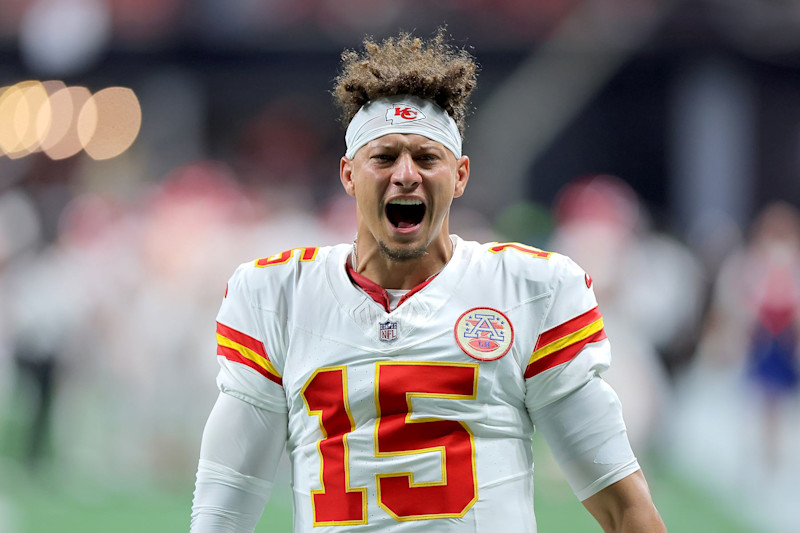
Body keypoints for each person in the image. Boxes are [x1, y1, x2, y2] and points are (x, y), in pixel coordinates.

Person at [191, 30, 667, 532]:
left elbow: (622, 505)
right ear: (349, 174)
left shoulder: (529, 289)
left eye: (426, 157)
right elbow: (226, 506)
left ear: (459, 175)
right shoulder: (277, 296)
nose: (405, 174)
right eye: (383, 156)